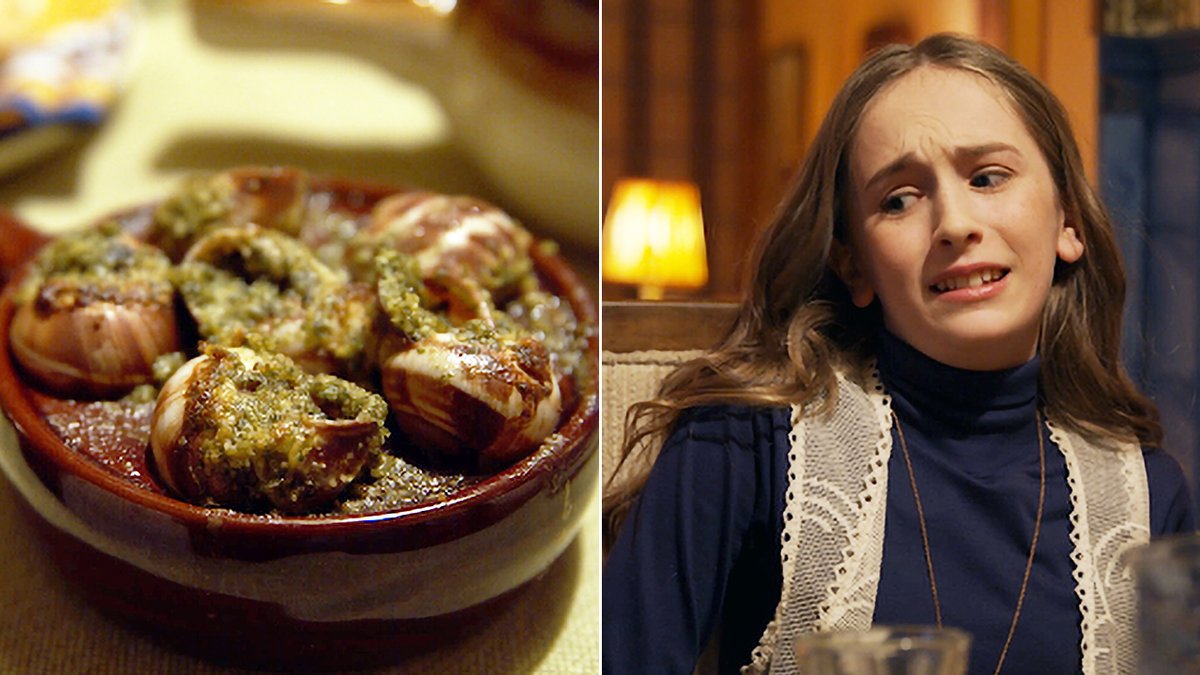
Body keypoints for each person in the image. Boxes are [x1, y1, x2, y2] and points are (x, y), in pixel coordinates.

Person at [602, 33, 1195, 675]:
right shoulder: (747, 435)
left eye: (988, 177)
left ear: (1068, 223)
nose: (954, 223)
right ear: (854, 264)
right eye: (899, 200)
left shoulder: (1149, 497)